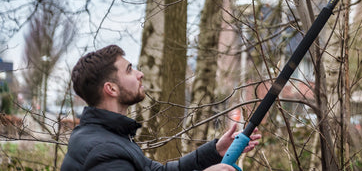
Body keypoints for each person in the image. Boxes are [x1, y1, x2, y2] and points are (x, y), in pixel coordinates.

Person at [61, 45, 261, 171]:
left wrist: (216, 150)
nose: (140, 74)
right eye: (130, 70)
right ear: (111, 88)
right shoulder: (104, 152)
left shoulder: (109, 137)